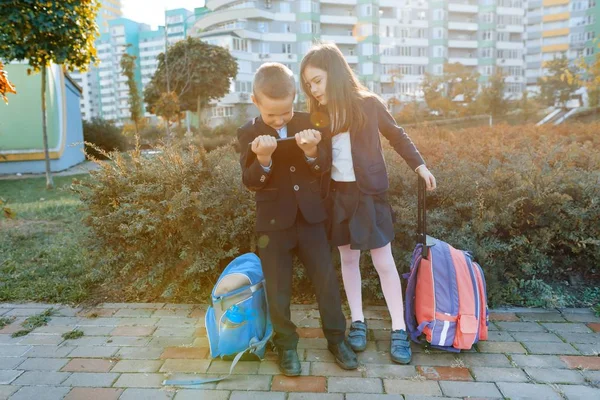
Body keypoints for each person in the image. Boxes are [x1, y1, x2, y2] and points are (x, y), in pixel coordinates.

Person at [300, 43, 437, 365]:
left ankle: (399, 329)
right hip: (337, 196)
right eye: (308, 84)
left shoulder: (369, 104)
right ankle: (358, 321)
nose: (313, 88)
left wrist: (420, 166)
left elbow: (397, 135)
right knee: (348, 260)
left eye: (317, 80)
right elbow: (318, 162)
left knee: (383, 261)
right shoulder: (318, 116)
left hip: (369, 194)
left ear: (334, 74)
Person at [237, 62, 358, 376]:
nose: (279, 120)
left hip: (311, 219)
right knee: (278, 288)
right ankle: (286, 344)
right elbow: (249, 182)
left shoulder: (311, 122)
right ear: (255, 101)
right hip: (272, 226)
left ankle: (336, 338)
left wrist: (313, 153)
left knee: (326, 281)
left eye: (286, 113)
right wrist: (262, 159)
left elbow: (324, 169)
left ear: (295, 99)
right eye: (271, 115)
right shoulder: (248, 131)